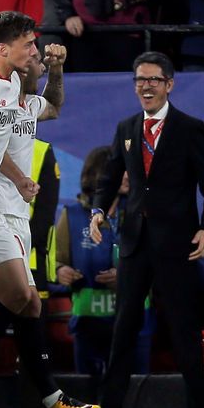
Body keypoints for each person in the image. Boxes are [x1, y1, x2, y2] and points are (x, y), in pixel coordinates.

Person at [0, 11, 98, 408]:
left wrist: (18, 178)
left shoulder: (15, 87)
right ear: (3, 48)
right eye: (29, 46)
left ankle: (44, 399)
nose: (35, 51)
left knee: (26, 300)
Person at [90, 51, 204, 408]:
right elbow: (109, 177)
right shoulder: (127, 128)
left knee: (183, 325)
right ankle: (111, 407)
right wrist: (99, 211)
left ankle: (198, 407)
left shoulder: (189, 127)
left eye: (153, 80)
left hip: (177, 243)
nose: (146, 86)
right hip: (135, 241)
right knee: (125, 325)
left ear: (169, 84)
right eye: (140, 80)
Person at [57, 148, 152, 378]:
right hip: (88, 324)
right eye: (122, 170)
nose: (128, 175)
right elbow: (56, 262)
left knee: (134, 396)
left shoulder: (141, 212)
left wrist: (126, 278)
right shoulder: (71, 215)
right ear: (100, 176)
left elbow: (155, 264)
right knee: (90, 395)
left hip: (136, 322)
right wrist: (62, 272)